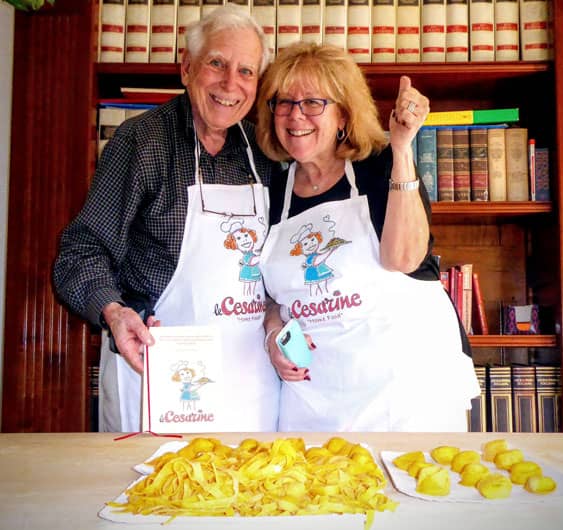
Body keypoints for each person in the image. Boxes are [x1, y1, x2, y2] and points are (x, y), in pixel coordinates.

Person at [53, 5, 281, 433]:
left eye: (246, 71)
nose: (231, 84)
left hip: (249, 382)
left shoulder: (266, 153)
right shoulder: (141, 141)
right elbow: (80, 251)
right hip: (158, 370)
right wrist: (115, 313)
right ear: (187, 68)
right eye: (217, 63)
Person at [256, 42, 480, 432]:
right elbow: (273, 296)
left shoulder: (379, 167)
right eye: (284, 102)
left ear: (343, 113)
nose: (295, 115)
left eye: (313, 103)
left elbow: (404, 258)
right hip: (315, 398)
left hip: (404, 394)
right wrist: (274, 333)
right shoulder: (274, 189)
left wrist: (402, 148)